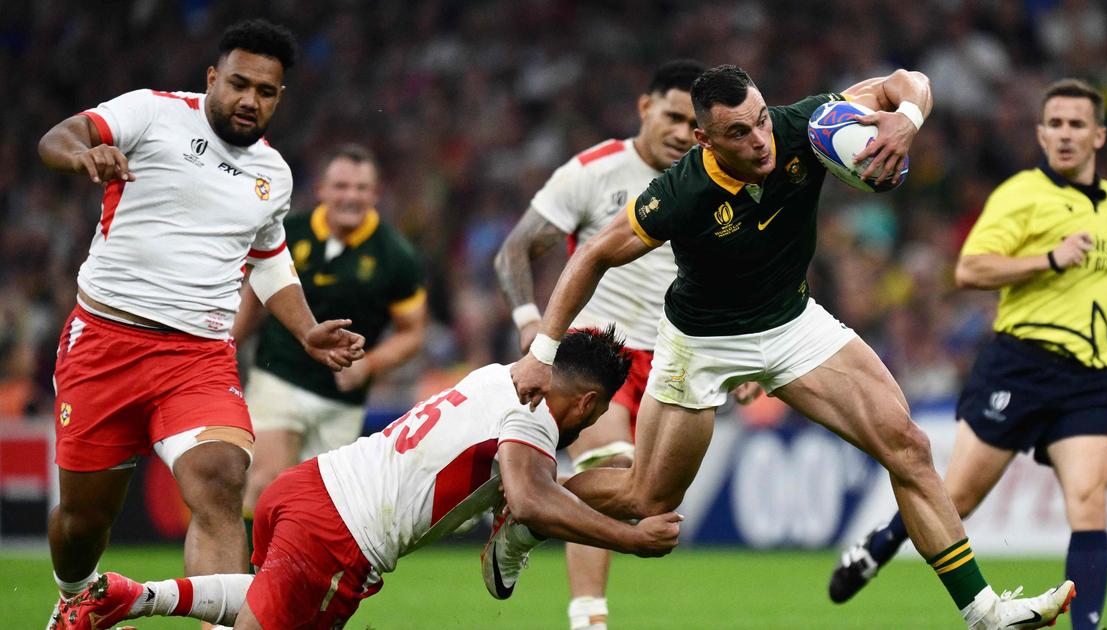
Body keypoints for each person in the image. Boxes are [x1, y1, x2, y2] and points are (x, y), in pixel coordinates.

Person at [506, 64, 1074, 629]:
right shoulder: (682, 191)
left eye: (760, 120)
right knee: (647, 499)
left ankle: (984, 613)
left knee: (907, 446)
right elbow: (594, 255)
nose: (760, 140)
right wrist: (542, 351)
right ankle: (529, 510)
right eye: (739, 133)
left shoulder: (805, 125)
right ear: (705, 140)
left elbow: (908, 80)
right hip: (701, 344)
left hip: (792, 324)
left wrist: (906, 118)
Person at [828, 79, 1107, 630]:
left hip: (1089, 376)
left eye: (1077, 124)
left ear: (1098, 135)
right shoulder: (1020, 195)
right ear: (1041, 134)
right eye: (1056, 124)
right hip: (1021, 364)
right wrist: (1048, 260)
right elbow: (969, 269)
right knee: (958, 497)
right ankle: (883, 542)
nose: (1065, 134)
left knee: (1090, 500)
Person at [36, 18, 365, 623]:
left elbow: (268, 259)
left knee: (221, 478)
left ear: (279, 98)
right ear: (213, 78)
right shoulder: (152, 112)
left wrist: (306, 329)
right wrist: (85, 153)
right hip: (105, 342)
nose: (250, 100)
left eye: (265, 92)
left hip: (199, 356)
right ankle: (76, 595)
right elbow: (59, 136)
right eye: (239, 84)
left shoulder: (274, 175)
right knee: (83, 520)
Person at [51, 327, 683, 630]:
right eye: (597, 414)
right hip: (340, 537)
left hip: (306, 487)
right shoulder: (537, 414)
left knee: (271, 596)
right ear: (590, 402)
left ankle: (135, 596)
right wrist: (630, 539)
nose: (590, 426)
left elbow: (531, 491)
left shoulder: (499, 375)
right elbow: (531, 497)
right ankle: (126, 597)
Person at [494, 58, 705, 630]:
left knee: (649, 495)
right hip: (595, 351)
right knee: (610, 461)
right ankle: (589, 617)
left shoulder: (708, 180)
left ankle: (529, 510)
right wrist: (530, 324)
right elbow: (515, 249)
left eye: (694, 124)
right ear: (645, 107)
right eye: (672, 116)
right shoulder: (593, 170)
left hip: (672, 358)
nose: (683, 133)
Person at [235, 143, 427, 529]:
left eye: (360, 188)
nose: (350, 196)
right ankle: (252, 569)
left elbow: (413, 333)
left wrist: (369, 365)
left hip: (342, 397)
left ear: (376, 194)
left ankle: (290, 568)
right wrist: (224, 349)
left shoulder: (397, 256)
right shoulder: (288, 233)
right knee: (264, 483)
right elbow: (253, 301)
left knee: (318, 509)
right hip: (280, 374)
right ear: (321, 189)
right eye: (341, 186)